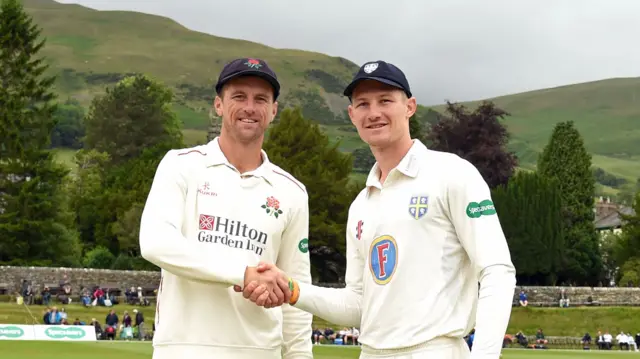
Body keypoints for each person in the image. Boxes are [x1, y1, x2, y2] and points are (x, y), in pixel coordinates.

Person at [243, 60, 516, 359]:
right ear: (351, 114)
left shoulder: (452, 173)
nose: (374, 113)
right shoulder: (361, 205)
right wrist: (292, 289)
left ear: (410, 106)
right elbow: (358, 304)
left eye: (385, 100)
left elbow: (496, 271)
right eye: (363, 104)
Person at [139, 57, 313, 359]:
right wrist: (243, 274)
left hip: (261, 351)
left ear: (273, 111)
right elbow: (156, 243)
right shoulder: (181, 165)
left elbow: (296, 291)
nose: (250, 107)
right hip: (183, 349)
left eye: (261, 99)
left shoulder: (292, 192)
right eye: (239, 96)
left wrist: (300, 356)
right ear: (218, 104)